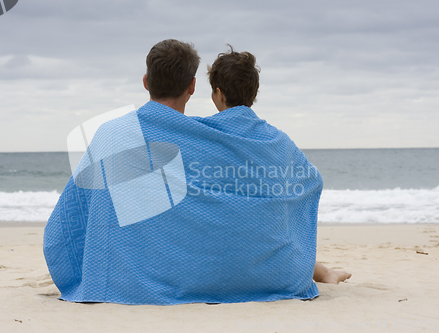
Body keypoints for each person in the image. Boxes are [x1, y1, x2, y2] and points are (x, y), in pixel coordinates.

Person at [44, 39, 346, 305]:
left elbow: (72, 217)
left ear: (146, 81)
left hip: (150, 269)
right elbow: (308, 183)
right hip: (264, 270)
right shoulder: (216, 137)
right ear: (191, 86)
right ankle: (319, 269)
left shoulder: (113, 134)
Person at [207, 46, 351, 284]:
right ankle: (326, 273)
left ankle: (326, 272)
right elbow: (313, 181)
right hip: (268, 249)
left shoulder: (203, 134)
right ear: (253, 93)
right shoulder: (277, 141)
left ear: (219, 94)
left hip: (221, 247)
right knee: (269, 230)